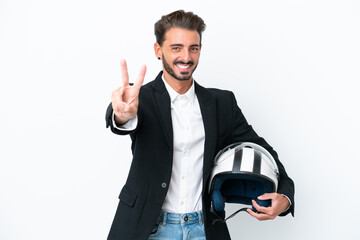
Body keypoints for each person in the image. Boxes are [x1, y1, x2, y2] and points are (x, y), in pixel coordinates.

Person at [105, 10, 295, 240]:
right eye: (176, 47)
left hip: (204, 229)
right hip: (148, 229)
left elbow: (263, 152)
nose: (186, 57)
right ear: (158, 50)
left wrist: (285, 197)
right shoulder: (139, 98)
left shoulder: (222, 104)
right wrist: (123, 115)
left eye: (193, 48)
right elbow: (119, 119)